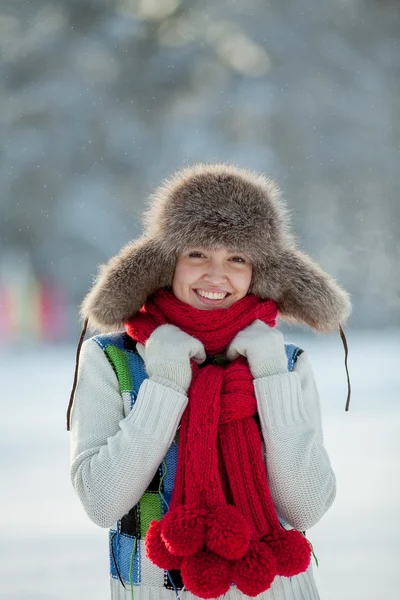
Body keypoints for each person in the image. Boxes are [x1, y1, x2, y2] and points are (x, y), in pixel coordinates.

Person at [67, 163, 351, 600]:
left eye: (237, 258)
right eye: (198, 253)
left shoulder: (286, 364)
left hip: (277, 587)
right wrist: (164, 384)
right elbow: (103, 503)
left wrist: (271, 377)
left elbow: (306, 505)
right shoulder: (113, 360)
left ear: (258, 271)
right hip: (155, 588)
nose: (216, 275)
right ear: (167, 263)